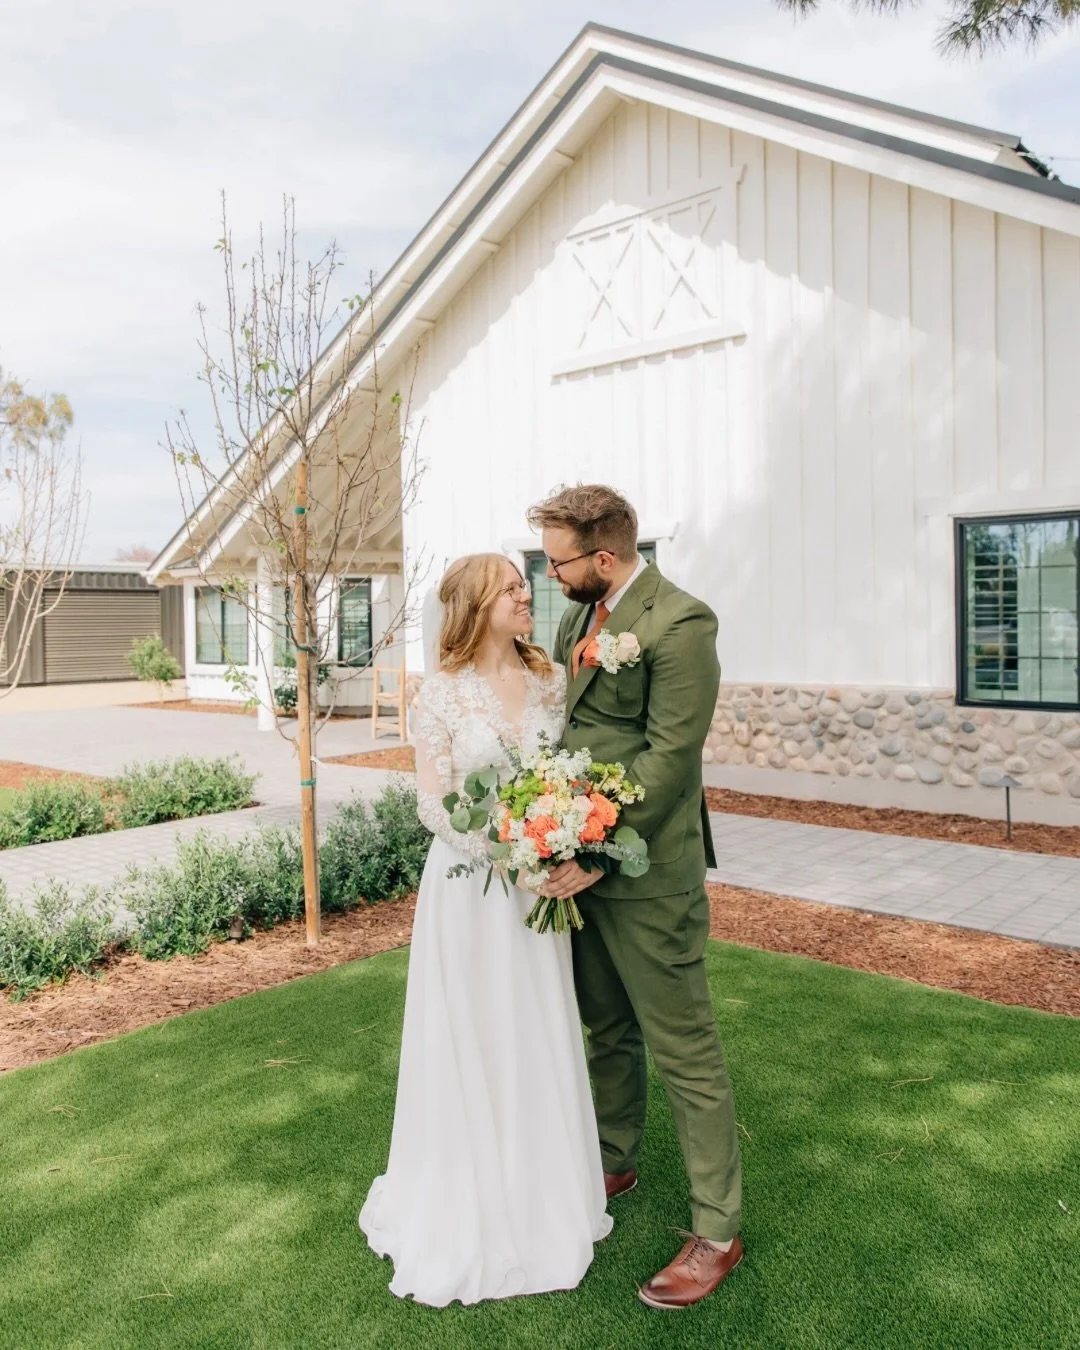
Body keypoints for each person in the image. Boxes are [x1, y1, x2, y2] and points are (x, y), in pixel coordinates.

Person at [358, 553, 612, 1307]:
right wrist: (507, 853)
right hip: (472, 889)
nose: (522, 593)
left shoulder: (550, 681)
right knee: (470, 1029)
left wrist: (559, 843)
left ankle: (541, 1190)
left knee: (532, 1024)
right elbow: (432, 806)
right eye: (508, 586)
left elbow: (568, 775)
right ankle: (465, 1192)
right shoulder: (435, 696)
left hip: (536, 887)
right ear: (475, 604)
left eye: (521, 583)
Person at [526, 483, 744, 1311]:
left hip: (647, 872)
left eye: (557, 561)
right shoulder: (579, 620)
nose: (550, 575)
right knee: (604, 1025)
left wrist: (596, 849)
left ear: (604, 558)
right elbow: (570, 737)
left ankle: (717, 1230)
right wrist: (550, 831)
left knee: (683, 1049)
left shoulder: (683, 623)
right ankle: (613, 1157)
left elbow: (670, 758)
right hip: (579, 863)